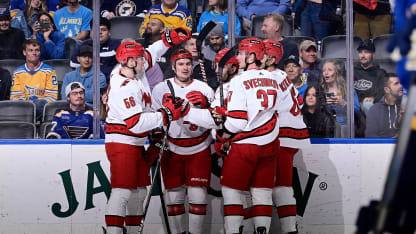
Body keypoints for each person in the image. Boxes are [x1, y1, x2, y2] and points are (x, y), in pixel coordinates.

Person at [104, 28, 191, 234]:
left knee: (140, 191)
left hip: (135, 143)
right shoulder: (122, 85)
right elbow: (135, 123)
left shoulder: (134, 70)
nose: (146, 62)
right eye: (141, 59)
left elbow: (152, 52)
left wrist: (166, 41)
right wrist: (166, 115)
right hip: (122, 142)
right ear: (131, 61)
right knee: (123, 191)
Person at [215, 38, 281, 234]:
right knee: (261, 192)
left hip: (246, 146)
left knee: (232, 191)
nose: (238, 57)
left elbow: (237, 122)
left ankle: (234, 231)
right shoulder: (274, 79)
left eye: (242, 53)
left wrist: (222, 135)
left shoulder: (239, 81)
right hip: (270, 144)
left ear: (252, 56)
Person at [151, 48, 215, 234]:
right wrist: (156, 136)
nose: (185, 67)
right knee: (174, 196)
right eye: (181, 64)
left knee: (198, 195)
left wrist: (207, 106)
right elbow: (154, 117)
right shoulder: (160, 88)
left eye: (188, 63)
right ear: (173, 66)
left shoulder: (204, 88)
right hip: (171, 146)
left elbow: (216, 119)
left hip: (199, 146)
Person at [263, 39, 309, 234]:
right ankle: (290, 228)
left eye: (262, 53)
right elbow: (298, 101)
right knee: (279, 185)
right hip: (289, 135)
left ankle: (289, 229)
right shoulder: (282, 77)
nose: (258, 56)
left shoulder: (269, 77)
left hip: (281, 136)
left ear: (271, 57)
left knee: (274, 186)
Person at [10, 39, 58, 121]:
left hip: (43, 111)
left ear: (40, 52)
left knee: (39, 104)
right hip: (24, 112)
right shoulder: (18, 72)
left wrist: (36, 106)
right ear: (24, 52)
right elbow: (16, 97)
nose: (34, 53)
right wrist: (29, 107)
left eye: (37, 50)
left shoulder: (50, 71)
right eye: (30, 50)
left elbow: (52, 97)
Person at [70, 17, 120, 82]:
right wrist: (104, 66)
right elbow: (73, 64)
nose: (99, 32)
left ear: (109, 33)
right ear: (91, 32)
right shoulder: (84, 45)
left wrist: (89, 65)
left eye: (103, 30)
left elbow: (121, 68)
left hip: (110, 82)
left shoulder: (116, 45)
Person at [321, 59, 360, 137]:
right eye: (324, 70)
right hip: (326, 126)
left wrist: (343, 103)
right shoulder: (320, 90)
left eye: (329, 70)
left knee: (343, 127)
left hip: (345, 126)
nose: (326, 73)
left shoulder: (348, 90)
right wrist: (324, 105)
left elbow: (357, 111)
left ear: (337, 73)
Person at [353, 40, 386, 114]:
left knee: (368, 105)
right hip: (353, 104)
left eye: (366, 52)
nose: (363, 55)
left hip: (371, 104)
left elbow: (383, 91)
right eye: (360, 52)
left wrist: (373, 98)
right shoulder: (351, 71)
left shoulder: (380, 73)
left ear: (373, 54)